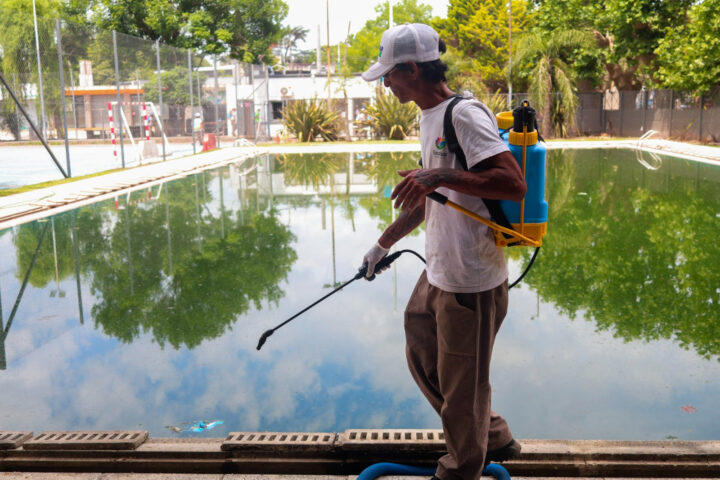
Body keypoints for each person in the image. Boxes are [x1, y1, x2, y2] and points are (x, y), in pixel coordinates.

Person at [359, 23, 525, 480]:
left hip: (470, 280)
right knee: (421, 350)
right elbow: (432, 196)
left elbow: (514, 184)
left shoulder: (464, 115)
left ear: (412, 69)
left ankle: (460, 469)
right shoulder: (427, 116)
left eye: (390, 75)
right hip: (439, 270)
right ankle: (489, 433)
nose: (386, 84)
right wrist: (383, 243)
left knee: (462, 389)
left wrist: (439, 177)